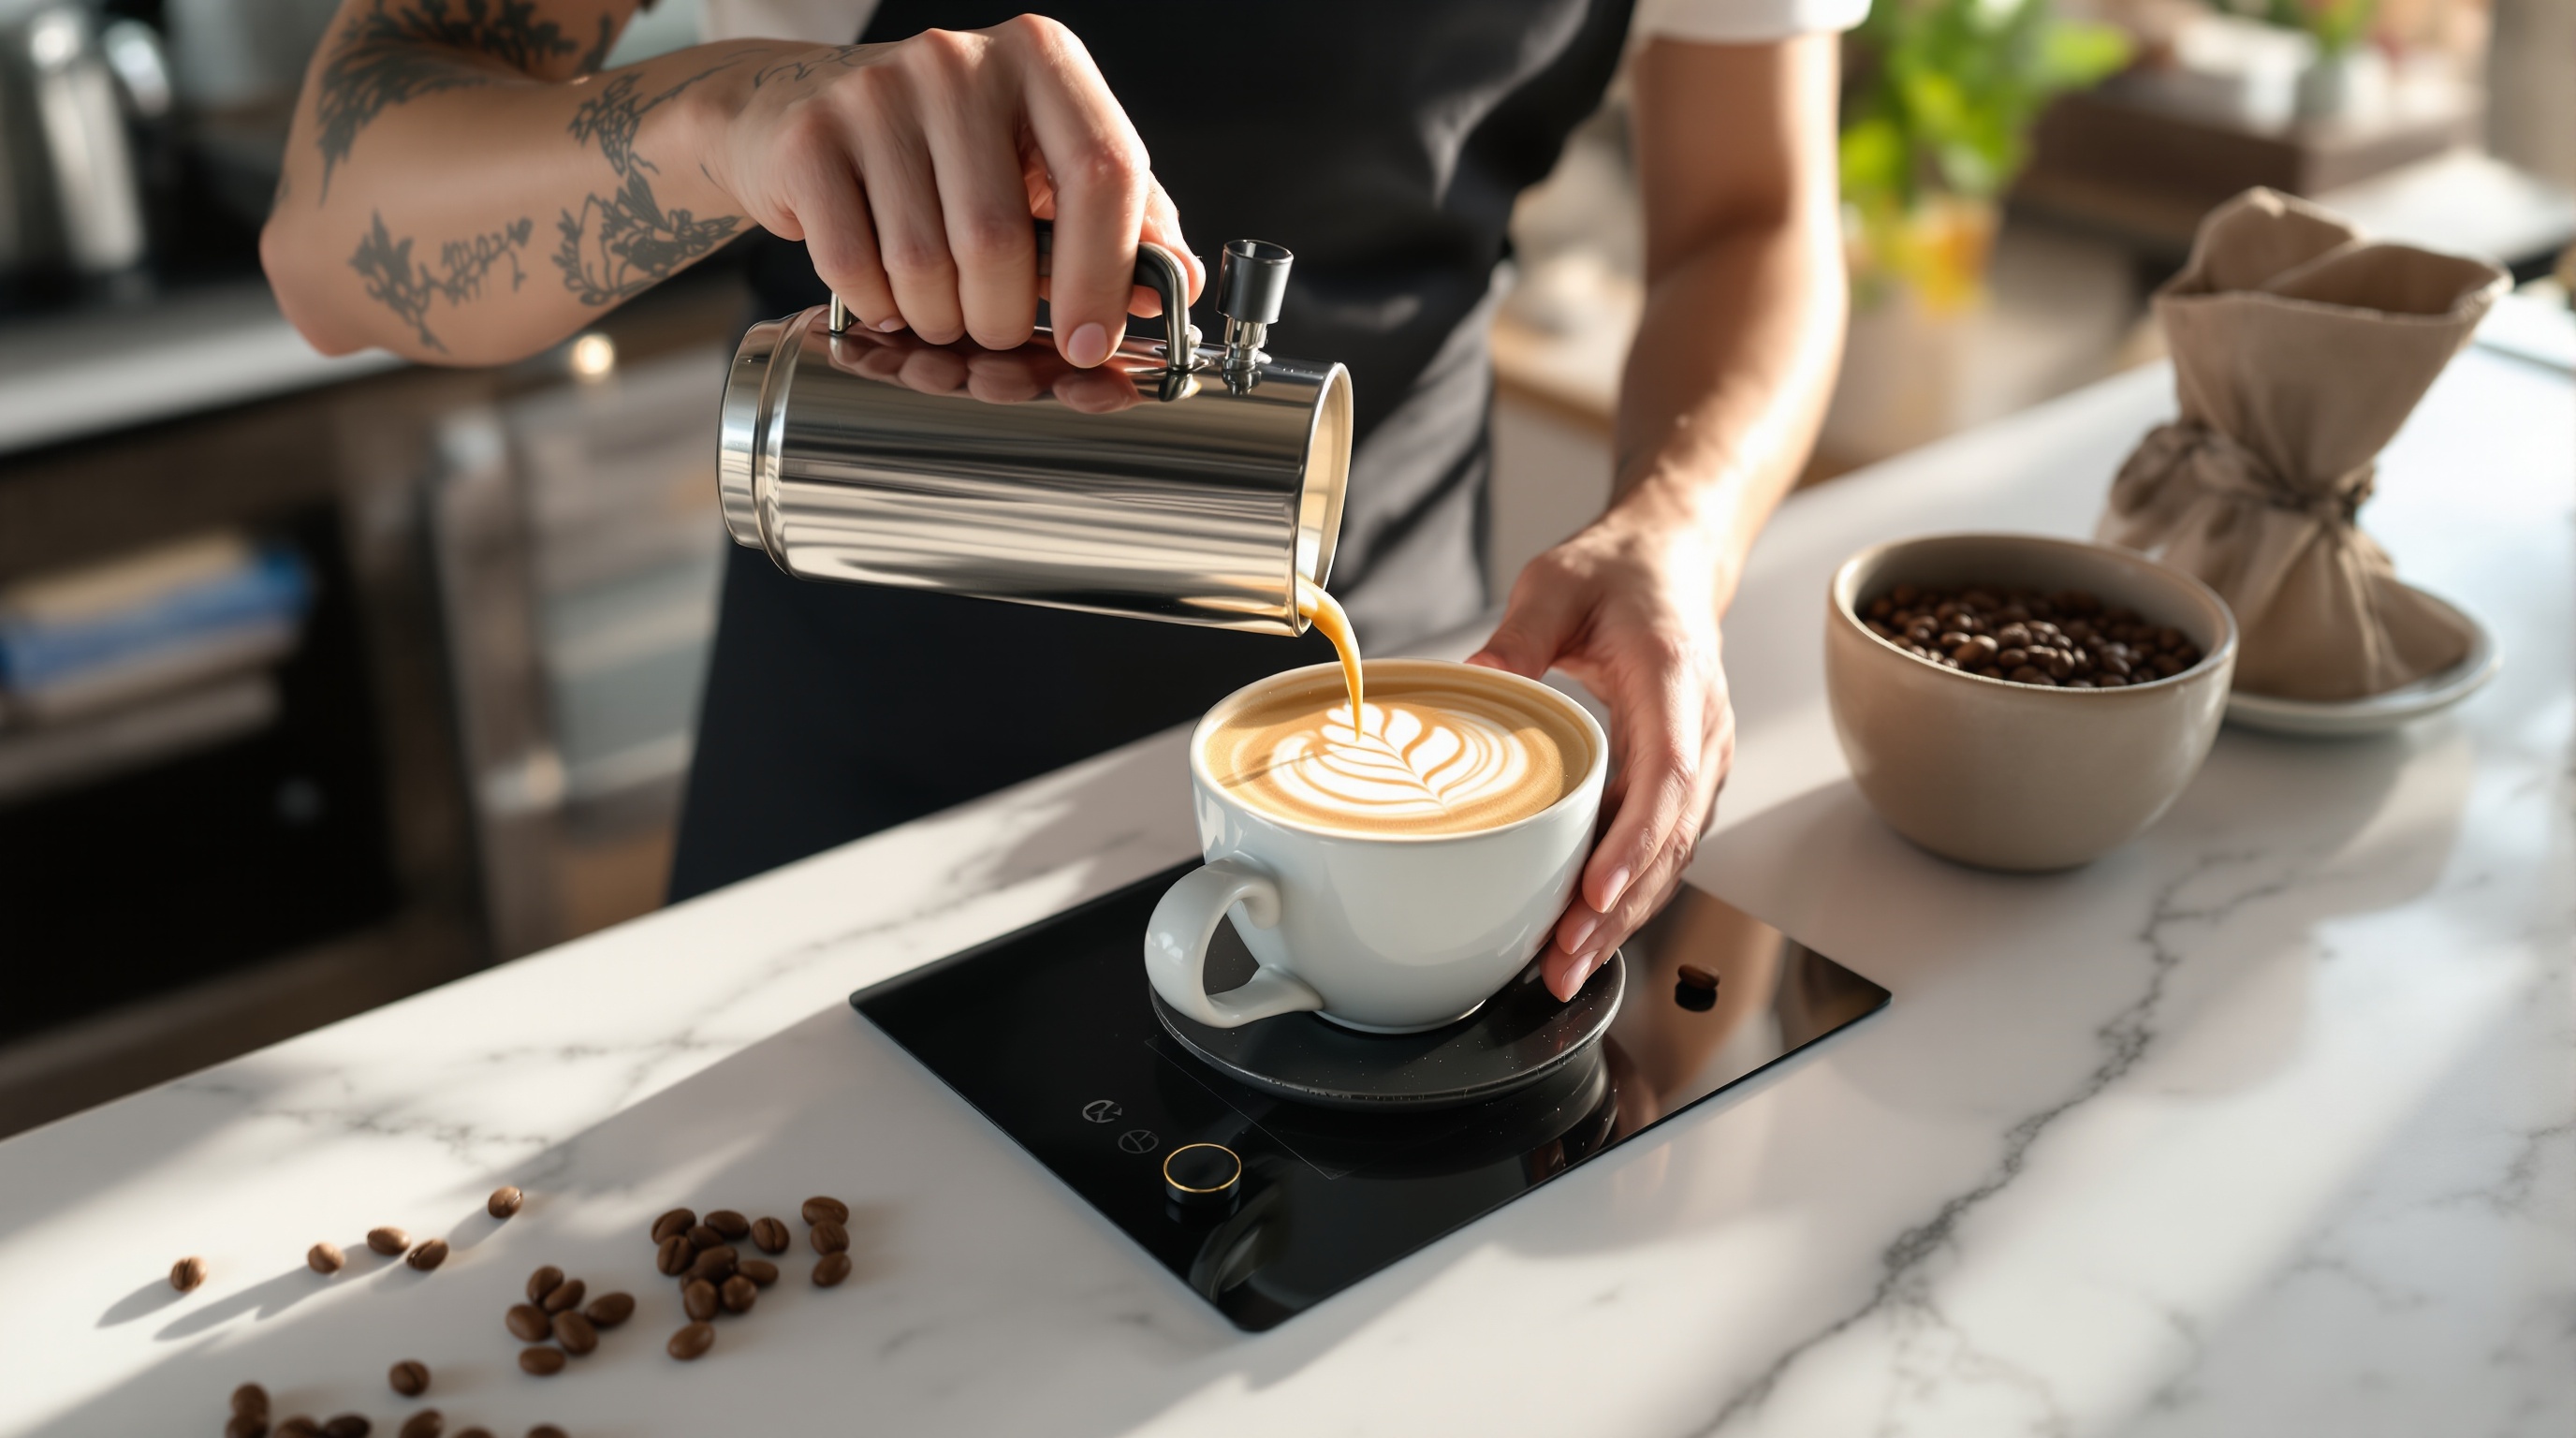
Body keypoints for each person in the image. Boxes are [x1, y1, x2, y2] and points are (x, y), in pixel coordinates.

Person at [263, 0, 1854, 1002]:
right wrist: (721, 116)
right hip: (865, 805)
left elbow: (1756, 216)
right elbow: (331, 247)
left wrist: (1677, 528)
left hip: (1416, 747)